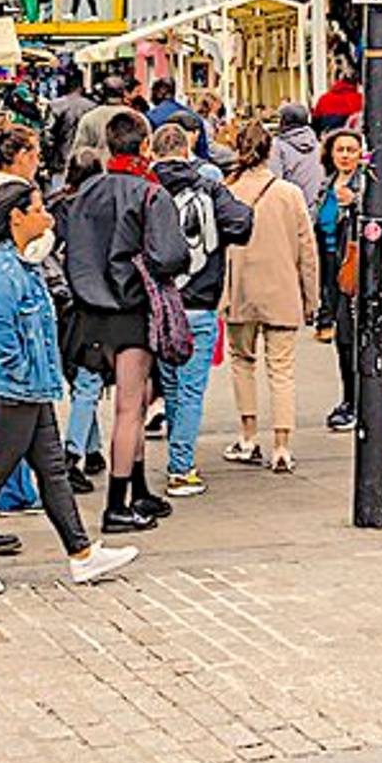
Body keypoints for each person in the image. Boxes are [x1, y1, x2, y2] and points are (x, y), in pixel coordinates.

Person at [0, 179, 138, 594]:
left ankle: (82, 555)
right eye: (38, 209)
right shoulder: (1, 272)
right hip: (5, 392)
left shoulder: (21, 265)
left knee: (52, 474)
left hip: (29, 390)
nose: (47, 216)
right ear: (17, 217)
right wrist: (22, 378)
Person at [59, 110, 193, 534]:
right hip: (132, 308)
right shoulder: (150, 194)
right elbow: (170, 255)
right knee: (130, 408)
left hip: (91, 310)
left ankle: (137, 489)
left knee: (124, 405)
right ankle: (117, 503)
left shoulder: (85, 192)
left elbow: (71, 248)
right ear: (145, 146)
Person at [146, 119, 252, 498]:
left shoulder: (146, 188)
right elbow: (242, 222)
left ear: (152, 150)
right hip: (200, 303)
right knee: (190, 390)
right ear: (187, 148)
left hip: (159, 303)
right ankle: (181, 467)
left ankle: (179, 456)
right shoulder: (207, 185)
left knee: (171, 386)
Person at [218, 118, 316, 472]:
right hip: (283, 290)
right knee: (282, 370)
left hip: (240, 290)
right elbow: (308, 251)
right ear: (270, 151)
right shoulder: (290, 194)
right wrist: (312, 299)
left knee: (243, 362)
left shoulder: (227, 191)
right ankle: (282, 445)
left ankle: (248, 437)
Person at [314, 125, 369, 435]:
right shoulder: (326, 185)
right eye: (340, 150)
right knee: (341, 338)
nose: (346, 156)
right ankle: (349, 398)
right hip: (330, 266)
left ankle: (356, 401)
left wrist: (355, 205)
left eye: (351, 150)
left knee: (351, 336)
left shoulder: (365, 185)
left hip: (355, 267)